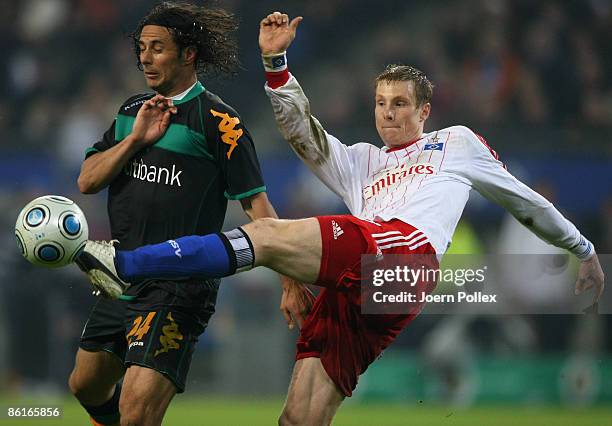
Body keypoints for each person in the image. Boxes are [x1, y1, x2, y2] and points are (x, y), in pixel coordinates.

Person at [76, 12, 606, 425]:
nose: (389, 113)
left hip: (404, 254)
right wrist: (276, 67)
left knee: (262, 234)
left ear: (425, 111)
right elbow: (303, 133)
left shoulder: (455, 144)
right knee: (299, 416)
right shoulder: (361, 162)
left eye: (400, 103)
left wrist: (582, 249)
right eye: (380, 103)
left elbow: (523, 199)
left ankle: (127, 263)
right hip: (366, 284)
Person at [69, 4, 312, 426]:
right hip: (120, 277)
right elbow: (87, 180)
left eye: (157, 48)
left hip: (179, 287)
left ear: (188, 54)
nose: (145, 57)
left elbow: (259, 210)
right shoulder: (132, 112)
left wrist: (289, 282)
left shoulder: (221, 124)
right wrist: (135, 141)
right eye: (141, 48)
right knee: (85, 385)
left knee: (137, 411)